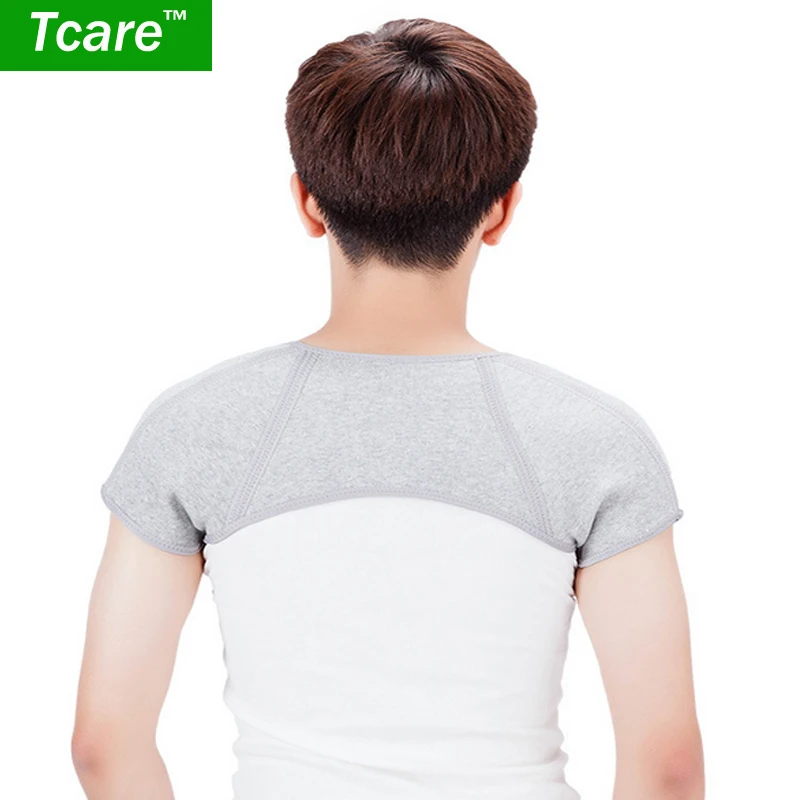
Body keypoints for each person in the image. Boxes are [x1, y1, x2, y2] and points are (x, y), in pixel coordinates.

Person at [72, 17, 704, 800]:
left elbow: (104, 745)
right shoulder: (593, 440)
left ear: (307, 203)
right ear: (503, 209)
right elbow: (667, 767)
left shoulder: (196, 426)